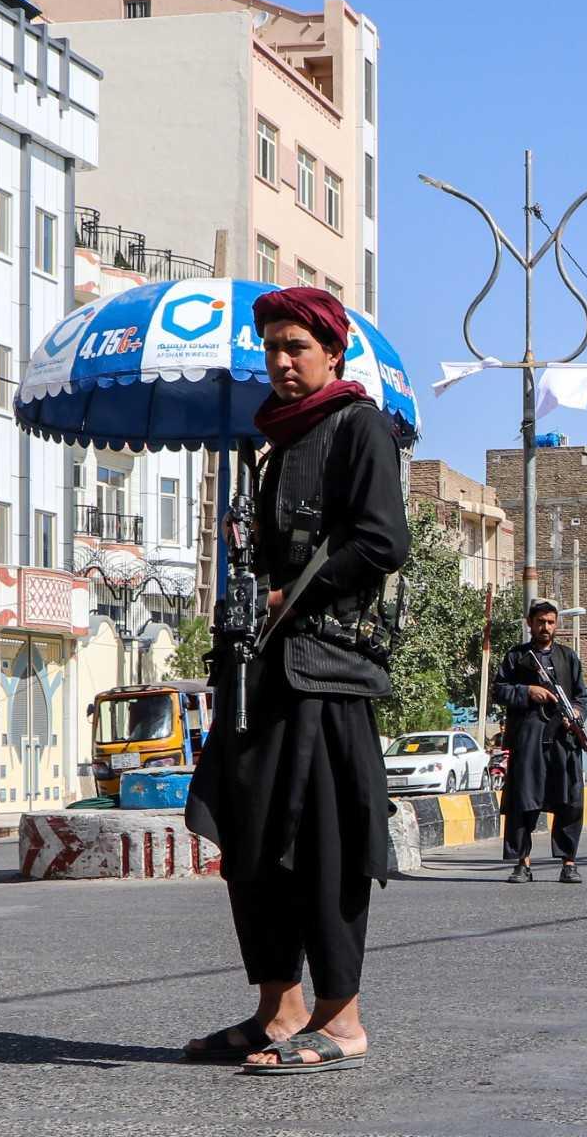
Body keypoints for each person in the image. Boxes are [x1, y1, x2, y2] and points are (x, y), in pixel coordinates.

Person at [184, 285, 410, 1074]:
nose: (281, 362)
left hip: (326, 674)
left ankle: (340, 1017)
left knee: (324, 846)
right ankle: (276, 1011)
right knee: (249, 841)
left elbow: (382, 542)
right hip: (260, 675)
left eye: (296, 348)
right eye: (272, 349)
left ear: (332, 353)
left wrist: (288, 593)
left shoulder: (359, 427)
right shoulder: (270, 445)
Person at [493, 599, 587, 885]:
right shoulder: (516, 657)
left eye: (550, 622)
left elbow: (581, 696)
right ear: (530, 623)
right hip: (529, 740)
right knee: (524, 800)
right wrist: (528, 692)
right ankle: (522, 863)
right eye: (540, 622)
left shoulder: (568, 657)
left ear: (556, 624)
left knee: (570, 800)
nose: (545, 627)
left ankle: (569, 862)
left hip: (563, 740)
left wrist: (575, 712)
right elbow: (500, 691)